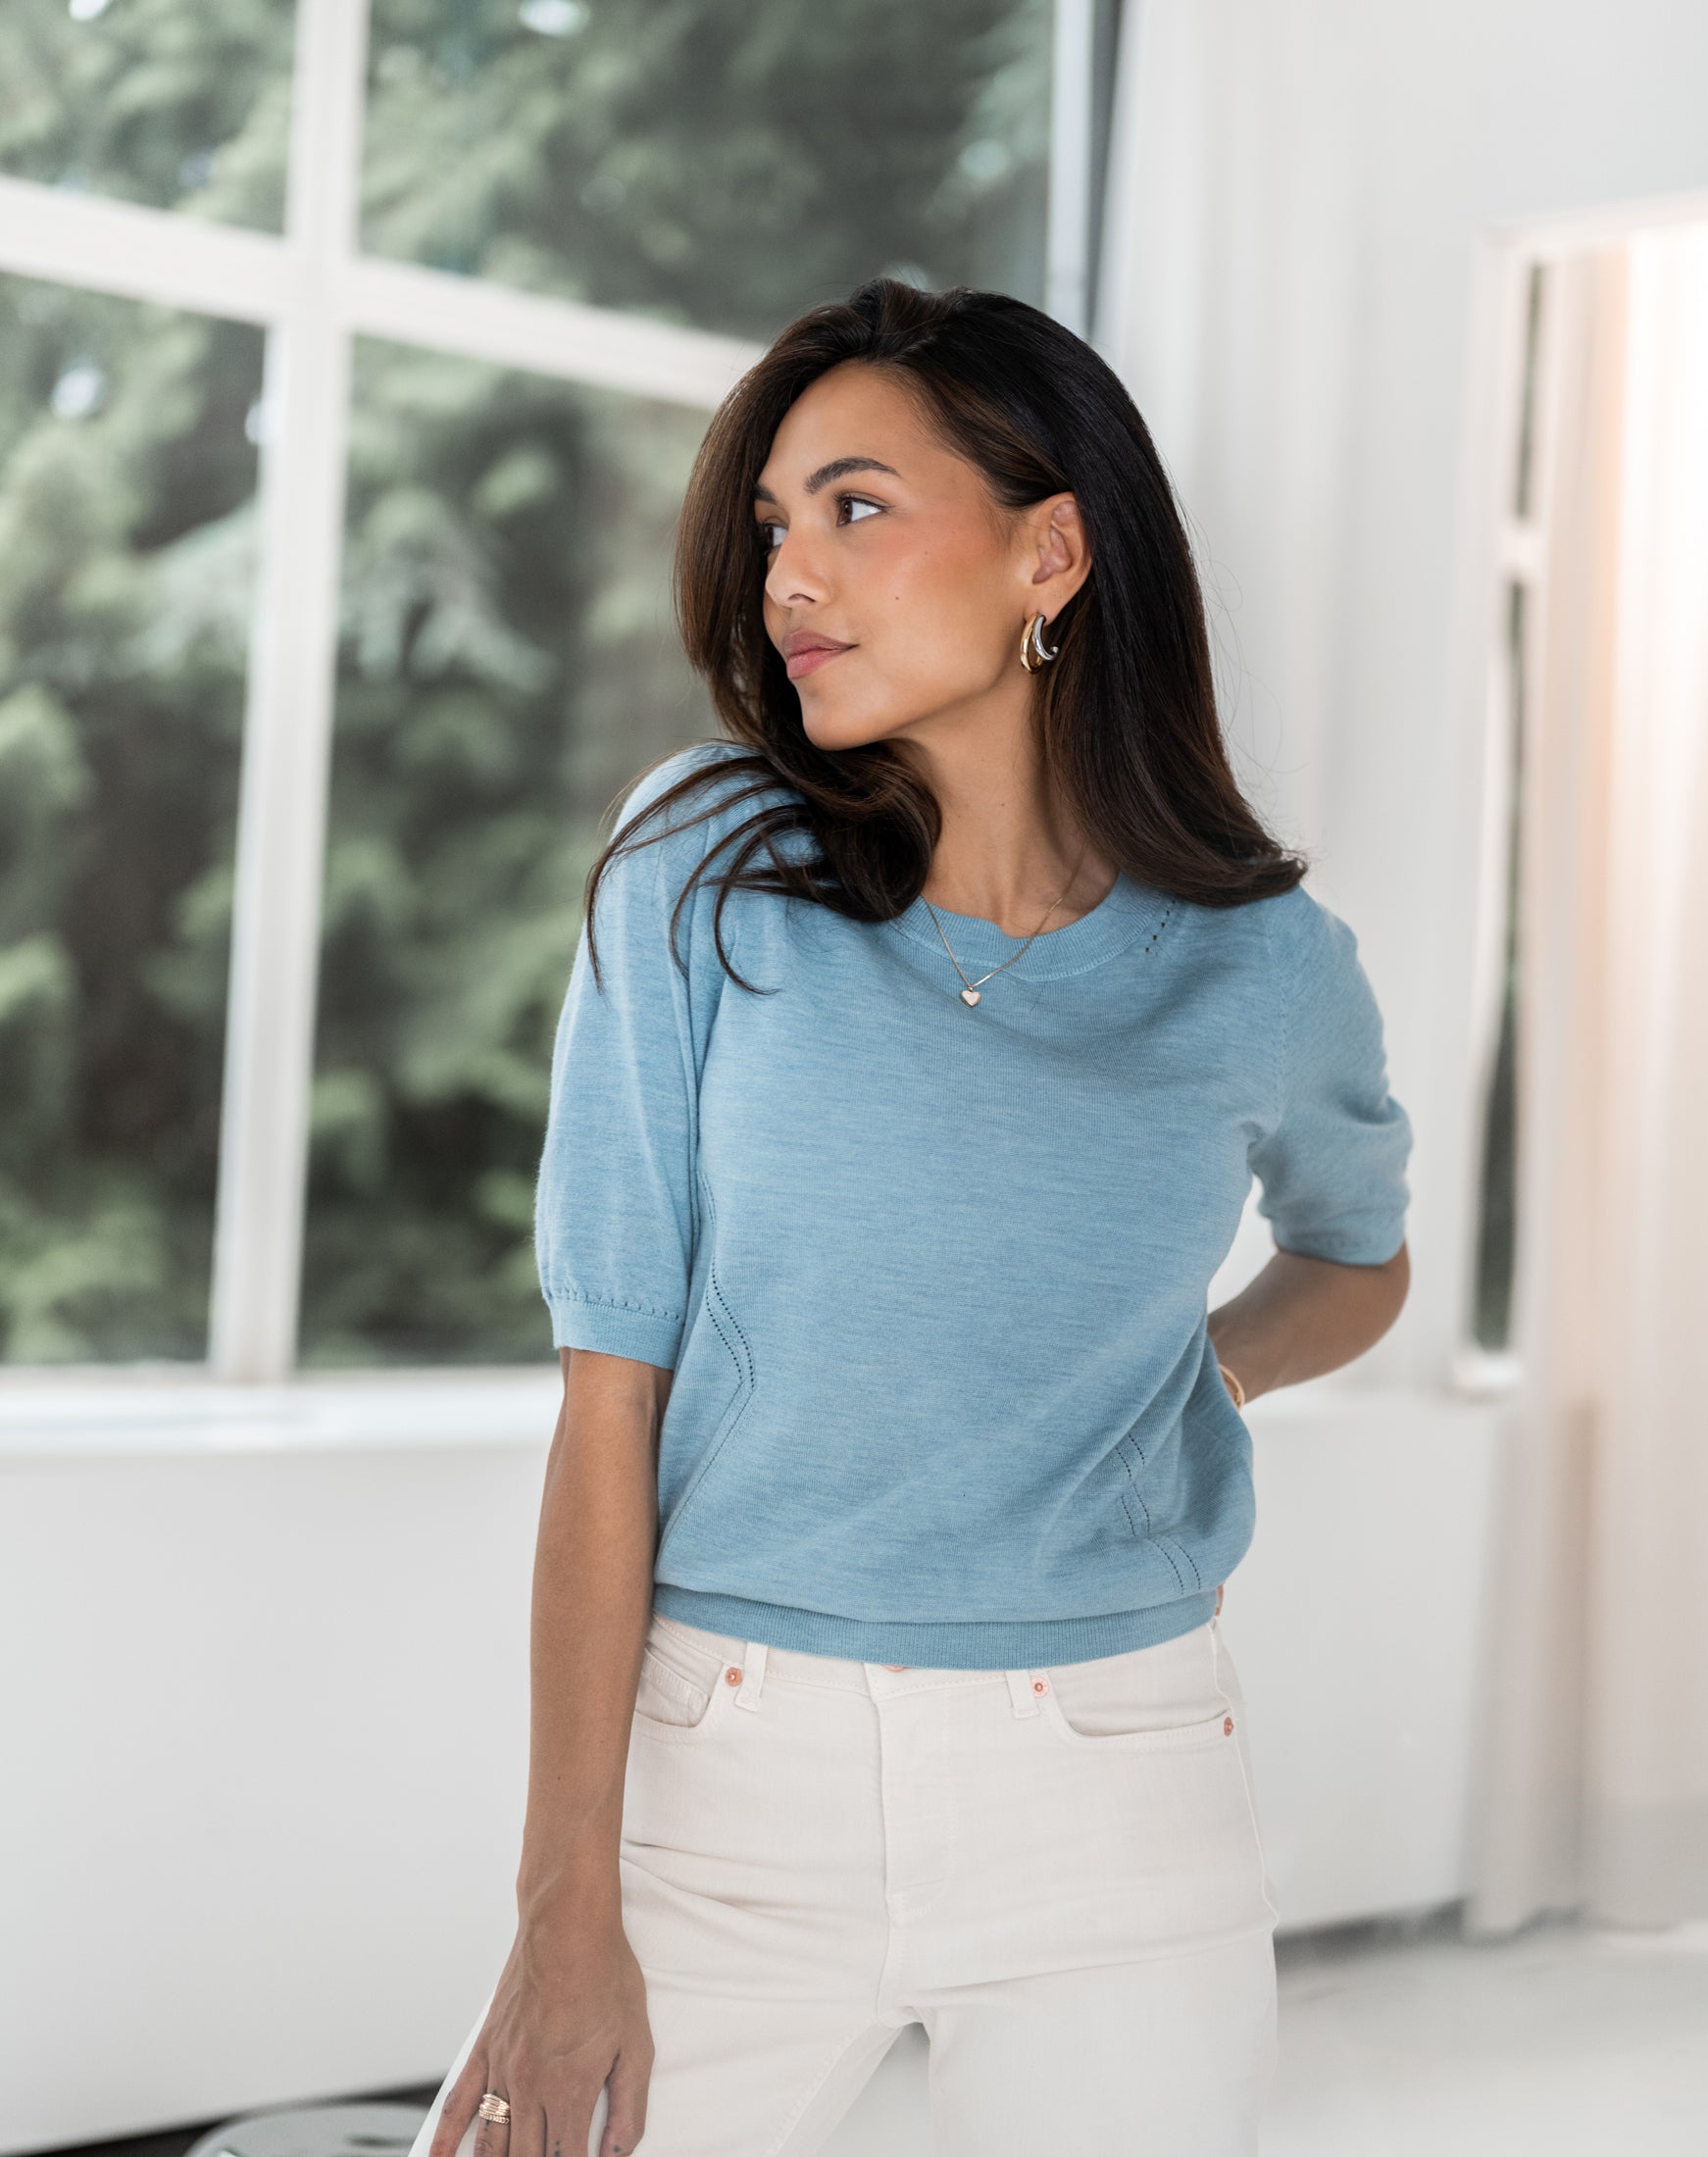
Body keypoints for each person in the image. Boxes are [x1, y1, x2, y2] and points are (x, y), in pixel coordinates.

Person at [415, 276, 1412, 2157]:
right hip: (724, 1769)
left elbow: (1359, 1256)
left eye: (859, 508)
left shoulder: (1263, 967)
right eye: (777, 526)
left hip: (1117, 1780)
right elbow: (606, 1400)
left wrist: (1192, 1378)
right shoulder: (699, 871)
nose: (793, 574)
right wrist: (564, 1907)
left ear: (1052, 551)